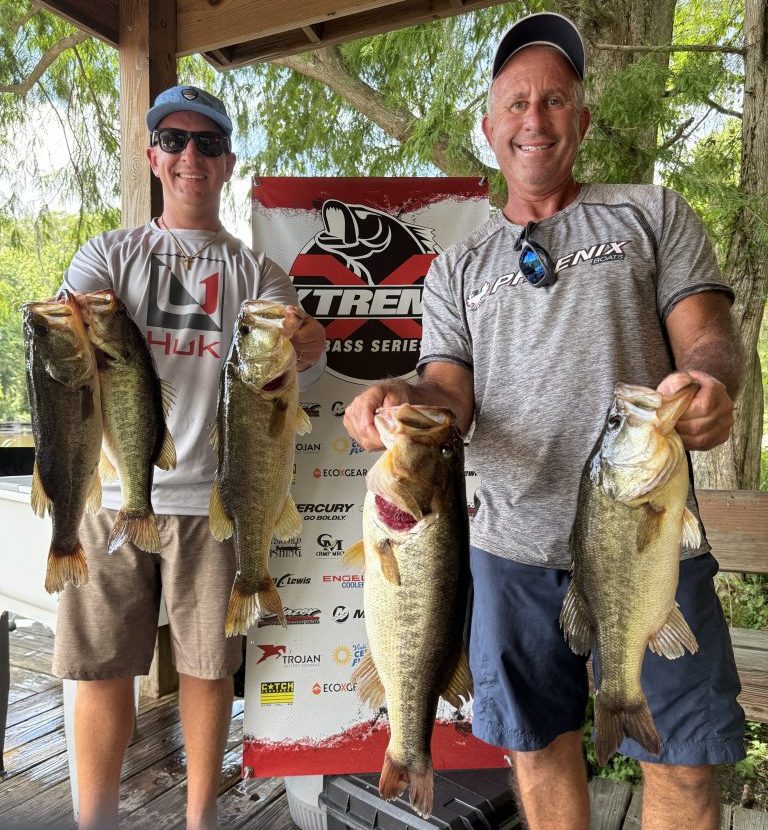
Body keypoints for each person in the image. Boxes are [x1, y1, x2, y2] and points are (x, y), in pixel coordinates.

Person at [343, 13, 745, 830]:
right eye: (516, 104)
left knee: (684, 763)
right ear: (489, 127)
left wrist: (708, 381)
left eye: (555, 101)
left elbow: (707, 335)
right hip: (510, 548)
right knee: (536, 749)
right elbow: (447, 393)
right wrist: (399, 398)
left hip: (648, 537)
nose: (536, 119)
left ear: (582, 120)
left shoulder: (651, 214)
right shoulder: (457, 268)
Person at [51, 85, 326, 830]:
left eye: (207, 143)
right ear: (152, 157)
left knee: (209, 669)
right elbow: (66, 353)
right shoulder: (108, 255)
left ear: (228, 162)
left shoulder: (258, 275)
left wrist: (307, 341)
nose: (190, 156)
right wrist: (70, 325)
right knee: (102, 669)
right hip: (112, 495)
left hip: (217, 498)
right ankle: (95, 822)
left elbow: (300, 360)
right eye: (173, 141)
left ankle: (202, 820)